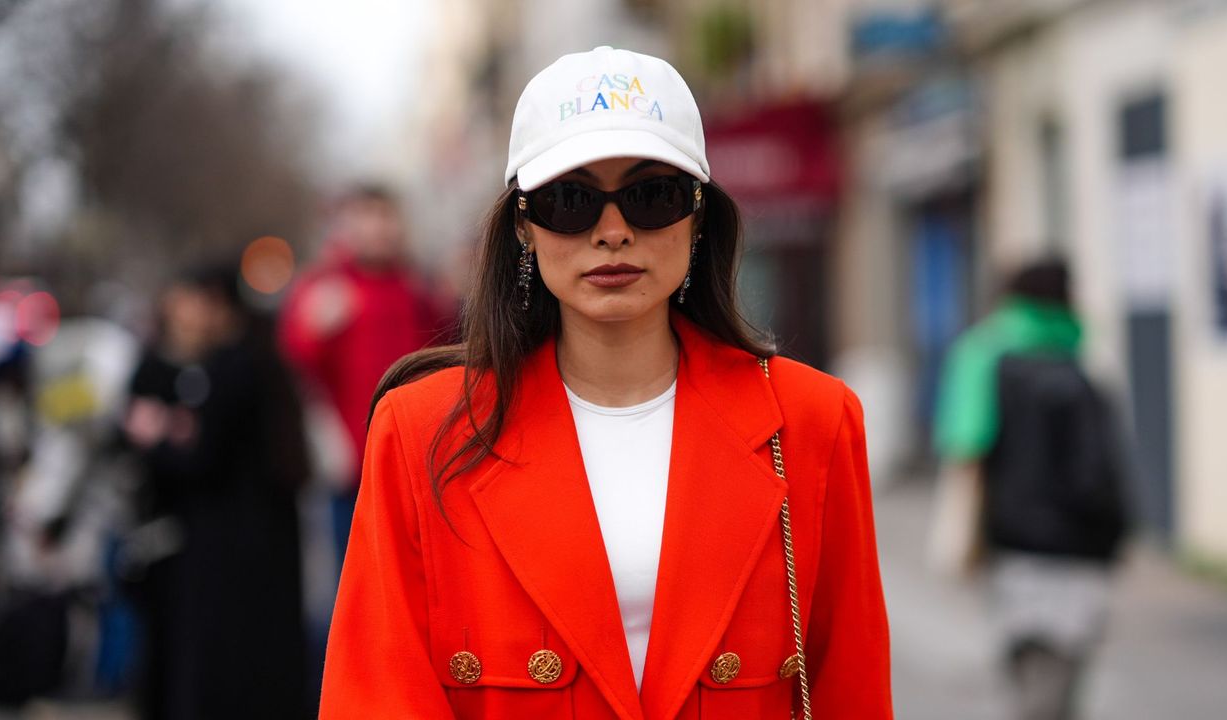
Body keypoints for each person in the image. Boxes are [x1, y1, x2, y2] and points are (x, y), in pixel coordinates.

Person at [319, 47, 892, 719]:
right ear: (524, 226)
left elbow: (852, 688)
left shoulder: (812, 419)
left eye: (652, 196)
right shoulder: (423, 431)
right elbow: (377, 696)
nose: (613, 232)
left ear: (699, 215)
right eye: (571, 200)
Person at [932, 259, 1128, 720]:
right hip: (1072, 551)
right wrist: (1113, 536)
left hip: (1008, 545)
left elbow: (963, 447)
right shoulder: (1076, 375)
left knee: (1025, 669)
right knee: (1058, 684)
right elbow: (1096, 477)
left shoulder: (980, 355)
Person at [125, 267, 309, 720]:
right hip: (261, 534)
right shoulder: (258, 358)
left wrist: (159, 438)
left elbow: (204, 458)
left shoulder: (231, 367)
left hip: (231, 537)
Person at [278, 184, 456, 565]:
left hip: (418, 457)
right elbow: (296, 362)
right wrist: (315, 330)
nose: (377, 229)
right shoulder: (325, 288)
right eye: (366, 218)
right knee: (355, 575)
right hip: (352, 464)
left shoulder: (419, 289)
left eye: (385, 217)